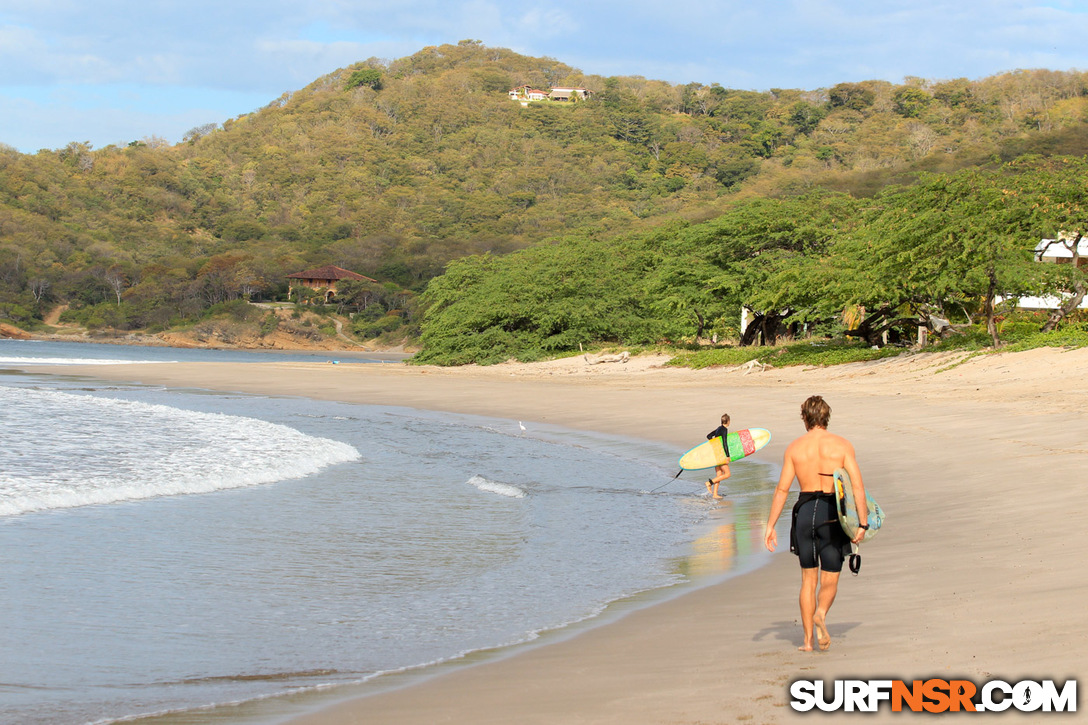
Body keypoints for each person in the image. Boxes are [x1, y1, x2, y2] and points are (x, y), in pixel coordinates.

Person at [764, 395, 868, 652]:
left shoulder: (794, 448)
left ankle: (808, 641)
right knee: (830, 576)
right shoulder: (842, 445)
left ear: (805, 418)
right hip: (832, 513)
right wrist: (862, 524)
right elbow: (856, 485)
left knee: (807, 580)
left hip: (804, 511)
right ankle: (821, 613)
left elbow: (782, 489)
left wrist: (770, 525)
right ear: (826, 416)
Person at [704, 413, 731, 499]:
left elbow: (708, 436)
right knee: (727, 474)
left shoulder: (718, 429)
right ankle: (709, 483)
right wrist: (727, 456)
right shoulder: (724, 430)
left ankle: (715, 494)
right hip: (721, 454)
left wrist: (715, 443)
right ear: (728, 421)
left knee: (719, 475)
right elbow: (725, 443)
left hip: (716, 453)